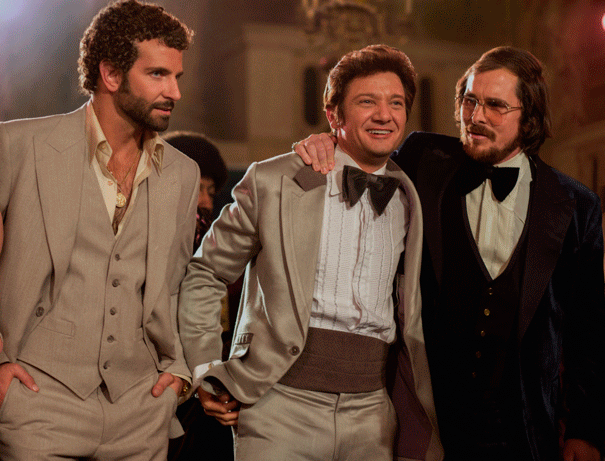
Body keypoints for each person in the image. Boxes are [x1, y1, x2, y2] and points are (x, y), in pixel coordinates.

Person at [295, 46, 605, 461]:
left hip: (526, 428)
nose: (476, 117)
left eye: (495, 106)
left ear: (529, 117)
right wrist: (327, 140)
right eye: (469, 101)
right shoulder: (424, 159)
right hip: (428, 424)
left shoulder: (575, 204)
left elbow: (589, 330)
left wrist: (585, 430)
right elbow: (363, 157)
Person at [178, 44, 443, 461]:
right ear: (334, 115)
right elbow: (206, 273)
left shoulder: (414, 195)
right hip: (277, 406)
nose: (384, 115)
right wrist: (204, 368)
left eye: (396, 103)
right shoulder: (275, 181)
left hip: (374, 416)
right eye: (367, 102)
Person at [0, 0, 200, 460]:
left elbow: (176, 283)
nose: (174, 91)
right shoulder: (18, 146)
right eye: (157, 74)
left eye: (177, 76)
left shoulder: (182, 173)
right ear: (110, 74)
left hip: (141, 408)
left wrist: (178, 370)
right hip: (37, 400)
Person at [163, 131, 233, 461]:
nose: (205, 201)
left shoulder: (215, 252)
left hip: (202, 401)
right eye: (196, 188)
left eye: (210, 191)